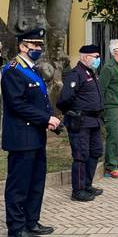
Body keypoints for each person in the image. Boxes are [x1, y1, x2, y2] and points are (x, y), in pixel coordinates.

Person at [1, 28, 58, 237]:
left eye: (40, 45)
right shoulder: (12, 70)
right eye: (34, 45)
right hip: (20, 137)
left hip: (35, 136)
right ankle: (16, 228)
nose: (38, 49)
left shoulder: (33, 69)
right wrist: (45, 118)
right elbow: (17, 104)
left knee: (36, 183)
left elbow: (39, 101)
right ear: (22, 46)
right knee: (19, 186)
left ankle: (31, 222)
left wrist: (48, 118)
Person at [57, 44, 104, 202]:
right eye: (95, 56)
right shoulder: (76, 74)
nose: (98, 59)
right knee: (81, 155)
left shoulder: (92, 72)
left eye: (98, 56)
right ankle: (78, 190)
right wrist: (72, 112)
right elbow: (64, 99)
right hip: (81, 121)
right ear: (85, 57)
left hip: (94, 120)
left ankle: (87, 185)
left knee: (95, 152)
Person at [99, 39, 118, 177]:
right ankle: (111, 166)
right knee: (113, 135)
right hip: (111, 107)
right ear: (115, 51)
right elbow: (101, 89)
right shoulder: (108, 68)